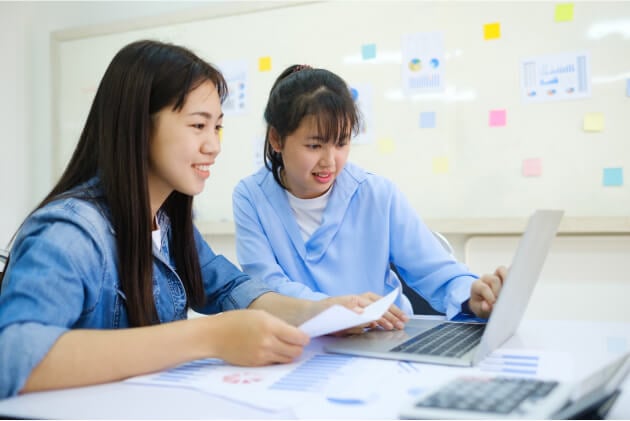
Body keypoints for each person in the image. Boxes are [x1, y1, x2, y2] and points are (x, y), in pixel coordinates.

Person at [0, 42, 367, 399]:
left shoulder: (168, 224)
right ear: (139, 127)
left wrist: (317, 312)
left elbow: (229, 288)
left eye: (217, 127)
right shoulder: (70, 235)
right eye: (198, 125)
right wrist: (208, 336)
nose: (214, 146)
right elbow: (11, 355)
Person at [232, 65, 507, 329]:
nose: (330, 161)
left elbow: (436, 271)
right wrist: (332, 309)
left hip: (381, 338)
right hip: (298, 343)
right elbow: (266, 288)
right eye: (314, 145)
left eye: (341, 143)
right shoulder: (251, 198)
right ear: (276, 139)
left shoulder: (377, 194)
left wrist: (471, 295)